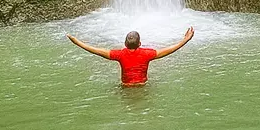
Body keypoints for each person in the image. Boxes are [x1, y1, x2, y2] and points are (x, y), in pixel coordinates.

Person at [66, 27, 194, 86]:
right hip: (143, 86)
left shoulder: (120, 54)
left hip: (125, 88)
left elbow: (95, 50)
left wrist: (76, 41)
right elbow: (169, 50)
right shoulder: (147, 53)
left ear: (125, 44)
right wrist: (185, 40)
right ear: (140, 43)